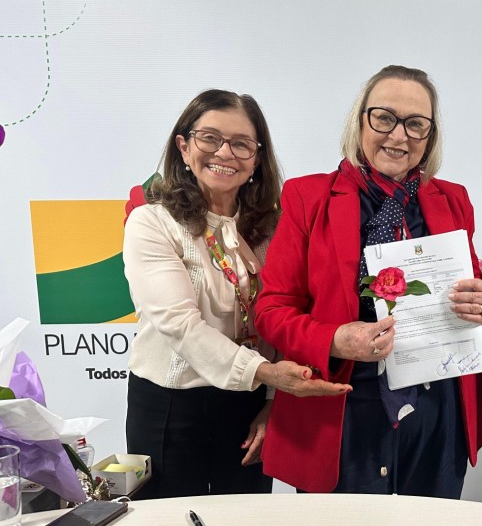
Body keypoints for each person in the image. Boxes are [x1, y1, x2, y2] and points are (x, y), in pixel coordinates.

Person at [254, 65, 482, 496]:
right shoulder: (306, 197)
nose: (398, 136)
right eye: (384, 117)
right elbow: (272, 311)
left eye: (416, 124)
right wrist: (333, 338)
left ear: (430, 135)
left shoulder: (454, 200)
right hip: (344, 410)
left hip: (436, 412)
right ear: (360, 119)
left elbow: (475, 295)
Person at [123, 89, 351, 499]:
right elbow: (179, 324)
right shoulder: (152, 222)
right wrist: (267, 375)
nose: (225, 153)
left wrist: (272, 402)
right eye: (210, 137)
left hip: (249, 405)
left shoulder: (278, 226)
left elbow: (290, 314)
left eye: (242, 144)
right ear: (184, 146)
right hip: (172, 406)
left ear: (257, 159)